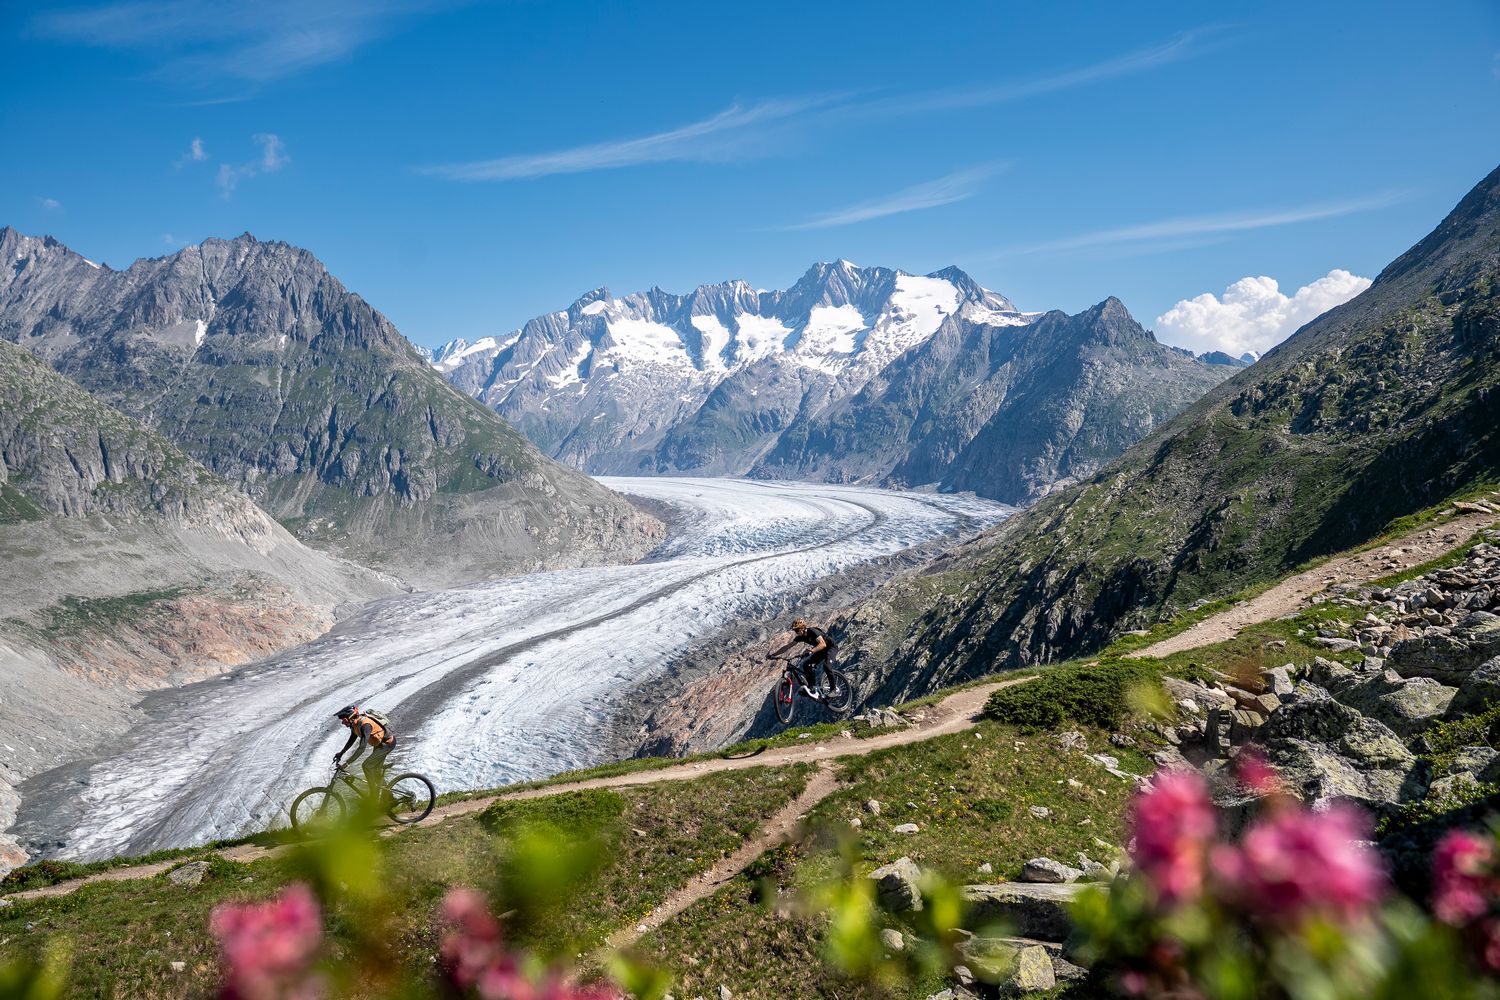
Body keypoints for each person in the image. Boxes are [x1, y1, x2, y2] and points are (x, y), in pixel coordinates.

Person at [334, 705, 396, 797]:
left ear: (350, 717)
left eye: (343, 720)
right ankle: (390, 799)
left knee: (366, 766)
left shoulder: (365, 725)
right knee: (376, 772)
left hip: (387, 744)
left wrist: (347, 763)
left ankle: (373, 795)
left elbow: (361, 748)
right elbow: (351, 740)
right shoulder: (355, 725)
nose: (343, 723)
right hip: (379, 745)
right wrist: (341, 753)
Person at [767, 618, 838, 699]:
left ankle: (834, 689)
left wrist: (811, 651)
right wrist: (774, 655)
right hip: (820, 651)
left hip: (831, 648)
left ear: (803, 628)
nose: (796, 632)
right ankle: (812, 687)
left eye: (797, 630)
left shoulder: (812, 631)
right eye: (795, 630)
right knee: (806, 665)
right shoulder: (800, 637)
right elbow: (787, 647)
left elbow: (823, 644)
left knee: (826, 666)